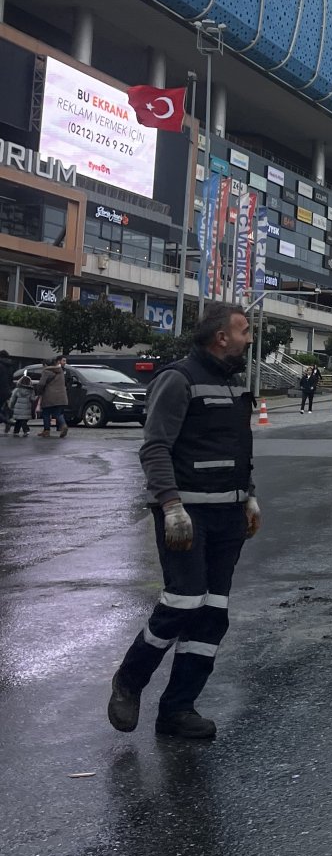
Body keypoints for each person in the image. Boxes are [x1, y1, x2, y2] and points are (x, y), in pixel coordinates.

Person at [108, 303, 261, 740]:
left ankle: (177, 710)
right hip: (188, 517)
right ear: (221, 337)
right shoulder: (178, 379)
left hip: (228, 516)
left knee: (213, 615)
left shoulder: (232, 385)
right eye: (244, 331)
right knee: (184, 601)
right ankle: (129, 681)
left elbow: (236, 447)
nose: (249, 339)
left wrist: (249, 496)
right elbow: (155, 447)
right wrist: (171, 506)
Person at [38, 355, 70, 438]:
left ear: (45, 365)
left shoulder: (46, 371)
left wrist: (39, 392)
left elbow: (41, 384)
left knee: (46, 413)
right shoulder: (61, 371)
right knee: (58, 413)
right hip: (61, 396)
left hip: (49, 396)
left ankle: (46, 430)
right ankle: (63, 425)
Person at [8, 371, 34, 436]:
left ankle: (24, 430)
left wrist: (10, 406)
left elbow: (13, 399)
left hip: (18, 409)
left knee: (19, 420)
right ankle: (17, 431)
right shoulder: (31, 391)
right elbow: (33, 399)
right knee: (22, 420)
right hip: (27, 409)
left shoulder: (17, 390)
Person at [0, 350, 13, 431]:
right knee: (3, 407)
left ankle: (6, 420)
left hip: (1, 390)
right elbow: (11, 379)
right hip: (7, 390)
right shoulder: (10, 366)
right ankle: (6, 419)